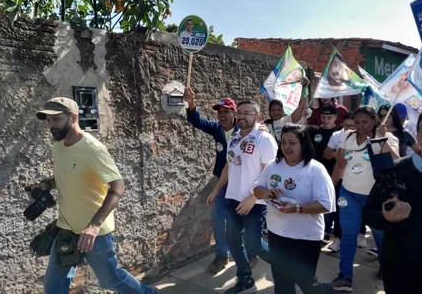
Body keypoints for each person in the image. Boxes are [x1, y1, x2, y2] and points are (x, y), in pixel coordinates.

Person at [32, 97, 156, 294]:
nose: (50, 125)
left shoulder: (92, 148)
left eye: (56, 119)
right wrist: (47, 184)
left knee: (111, 280)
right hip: (65, 228)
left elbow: (118, 185)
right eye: (48, 120)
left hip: (94, 233)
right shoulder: (58, 146)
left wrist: (94, 225)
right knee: (54, 287)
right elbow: (66, 176)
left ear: (73, 118)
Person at [363, 107, 422, 294]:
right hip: (405, 274)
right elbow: (369, 214)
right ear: (417, 138)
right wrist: (387, 218)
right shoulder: (397, 171)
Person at [253, 124, 335, 294]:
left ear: (303, 144)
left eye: (292, 143)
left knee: (306, 283)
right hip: (277, 234)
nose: (286, 147)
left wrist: (296, 208)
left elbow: (326, 204)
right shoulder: (273, 166)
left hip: (305, 236)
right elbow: (256, 189)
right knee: (282, 282)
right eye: (283, 142)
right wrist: (267, 193)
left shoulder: (315, 169)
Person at [183, 88, 258, 273]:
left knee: (245, 220)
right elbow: (196, 121)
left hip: (244, 183)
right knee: (217, 218)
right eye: (219, 112)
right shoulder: (217, 129)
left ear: (235, 114)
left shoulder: (245, 131)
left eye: (226, 111)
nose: (222, 115)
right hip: (222, 182)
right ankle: (221, 255)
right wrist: (192, 104)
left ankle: (252, 251)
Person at [207, 100, 278, 294]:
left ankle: (290, 266)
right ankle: (245, 280)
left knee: (254, 244)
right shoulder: (235, 137)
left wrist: (253, 198)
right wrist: (216, 190)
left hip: (254, 202)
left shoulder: (264, 139)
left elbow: (269, 174)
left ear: (257, 116)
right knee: (233, 241)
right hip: (233, 199)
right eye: (239, 113)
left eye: (247, 113)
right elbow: (229, 166)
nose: (242, 116)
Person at [329, 106, 400, 292]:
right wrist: (330, 187)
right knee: (348, 234)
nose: (359, 126)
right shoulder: (347, 136)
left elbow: (397, 162)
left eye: (364, 122)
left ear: (375, 121)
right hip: (348, 194)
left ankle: (387, 269)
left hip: (375, 198)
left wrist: (381, 141)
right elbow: (341, 164)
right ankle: (345, 276)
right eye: (356, 122)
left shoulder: (387, 138)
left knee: (381, 237)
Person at [322, 112, 368, 252]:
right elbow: (326, 154)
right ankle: (337, 238)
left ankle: (361, 233)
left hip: (361, 181)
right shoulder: (338, 136)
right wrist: (336, 154)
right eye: (346, 125)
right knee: (340, 208)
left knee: (361, 210)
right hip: (342, 179)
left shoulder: (365, 138)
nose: (349, 128)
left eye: (352, 125)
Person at [307, 105, 342, 244]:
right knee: (317, 201)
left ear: (335, 117)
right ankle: (323, 230)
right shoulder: (314, 130)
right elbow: (297, 129)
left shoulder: (340, 132)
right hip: (316, 173)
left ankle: (334, 233)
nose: (326, 120)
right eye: (323, 117)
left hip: (336, 172)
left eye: (329, 117)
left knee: (334, 203)